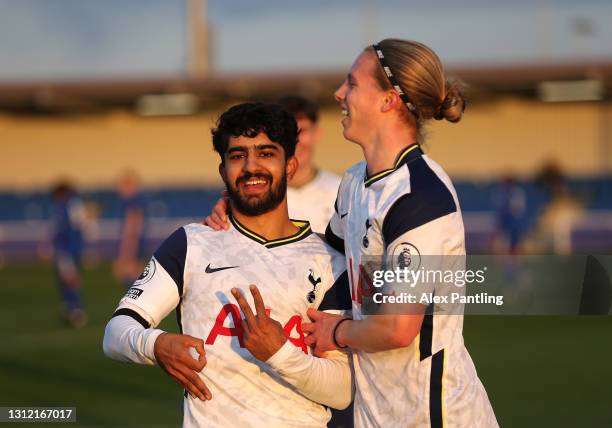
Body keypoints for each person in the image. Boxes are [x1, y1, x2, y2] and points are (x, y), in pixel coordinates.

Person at [206, 39, 498, 427]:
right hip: (375, 413)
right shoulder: (356, 183)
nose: (339, 94)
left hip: (434, 416)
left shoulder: (421, 196)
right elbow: (322, 259)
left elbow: (398, 328)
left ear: (388, 100)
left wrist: (337, 330)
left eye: (352, 84)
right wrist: (241, 209)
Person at [103, 102, 353, 428]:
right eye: (237, 156)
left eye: (265, 153)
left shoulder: (329, 261)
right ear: (223, 171)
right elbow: (116, 332)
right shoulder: (191, 243)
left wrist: (279, 352)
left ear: (289, 166)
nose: (251, 167)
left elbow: (343, 389)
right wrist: (155, 344)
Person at [279, 96, 341, 233]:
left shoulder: (342, 192)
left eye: (303, 131)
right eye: (287, 132)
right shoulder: (260, 195)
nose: (295, 141)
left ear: (317, 133)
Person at [49, 181, 87, 327]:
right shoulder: (69, 205)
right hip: (68, 249)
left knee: (70, 280)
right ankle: (70, 310)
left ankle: (76, 311)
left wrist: (70, 249)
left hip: (68, 250)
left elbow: (72, 230)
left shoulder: (69, 205)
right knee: (65, 280)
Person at [113, 171, 147, 288]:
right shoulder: (136, 200)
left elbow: (132, 227)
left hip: (133, 241)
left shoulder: (133, 201)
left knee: (130, 275)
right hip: (136, 241)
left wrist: (126, 251)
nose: (120, 189)